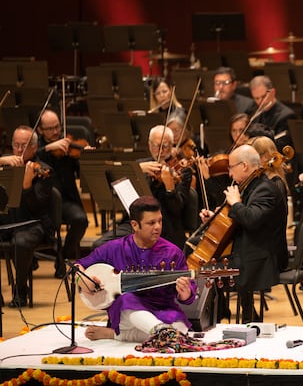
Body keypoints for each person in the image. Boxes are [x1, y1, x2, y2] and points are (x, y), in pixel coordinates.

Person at [76, 196, 197, 342]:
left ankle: (116, 335)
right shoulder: (114, 248)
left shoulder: (172, 252)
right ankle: (161, 331)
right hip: (127, 312)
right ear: (134, 225)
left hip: (162, 310)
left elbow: (189, 295)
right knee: (127, 298)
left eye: (160, 221)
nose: (157, 227)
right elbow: (76, 267)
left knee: (180, 329)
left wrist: (185, 293)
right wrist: (82, 280)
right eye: (151, 223)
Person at [198, 144, 288, 322]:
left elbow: (251, 219)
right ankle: (228, 312)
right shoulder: (251, 186)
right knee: (203, 264)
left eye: (231, 168)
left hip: (260, 259)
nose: (230, 174)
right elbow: (242, 220)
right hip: (247, 251)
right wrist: (215, 218)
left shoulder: (265, 189)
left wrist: (236, 203)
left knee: (205, 273)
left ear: (244, 166)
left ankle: (220, 315)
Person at [0, 126, 54, 307]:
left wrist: (27, 185)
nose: (19, 150)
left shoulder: (44, 170)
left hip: (34, 224)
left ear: (34, 147)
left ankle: (21, 289)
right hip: (8, 222)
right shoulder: (5, 165)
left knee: (20, 242)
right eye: (16, 145)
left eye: (24, 145)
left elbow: (38, 207)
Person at [36, 109, 88, 277]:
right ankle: (33, 258)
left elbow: (81, 173)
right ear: (40, 130)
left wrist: (86, 157)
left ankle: (64, 256)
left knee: (80, 220)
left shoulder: (68, 145)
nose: (56, 132)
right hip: (43, 202)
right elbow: (28, 158)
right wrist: (48, 147)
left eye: (57, 127)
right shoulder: (37, 147)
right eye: (50, 128)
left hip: (67, 200)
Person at [247, 75, 297, 151]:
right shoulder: (253, 112)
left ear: (273, 92)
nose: (260, 102)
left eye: (263, 97)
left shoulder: (286, 115)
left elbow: (279, 146)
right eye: (256, 98)